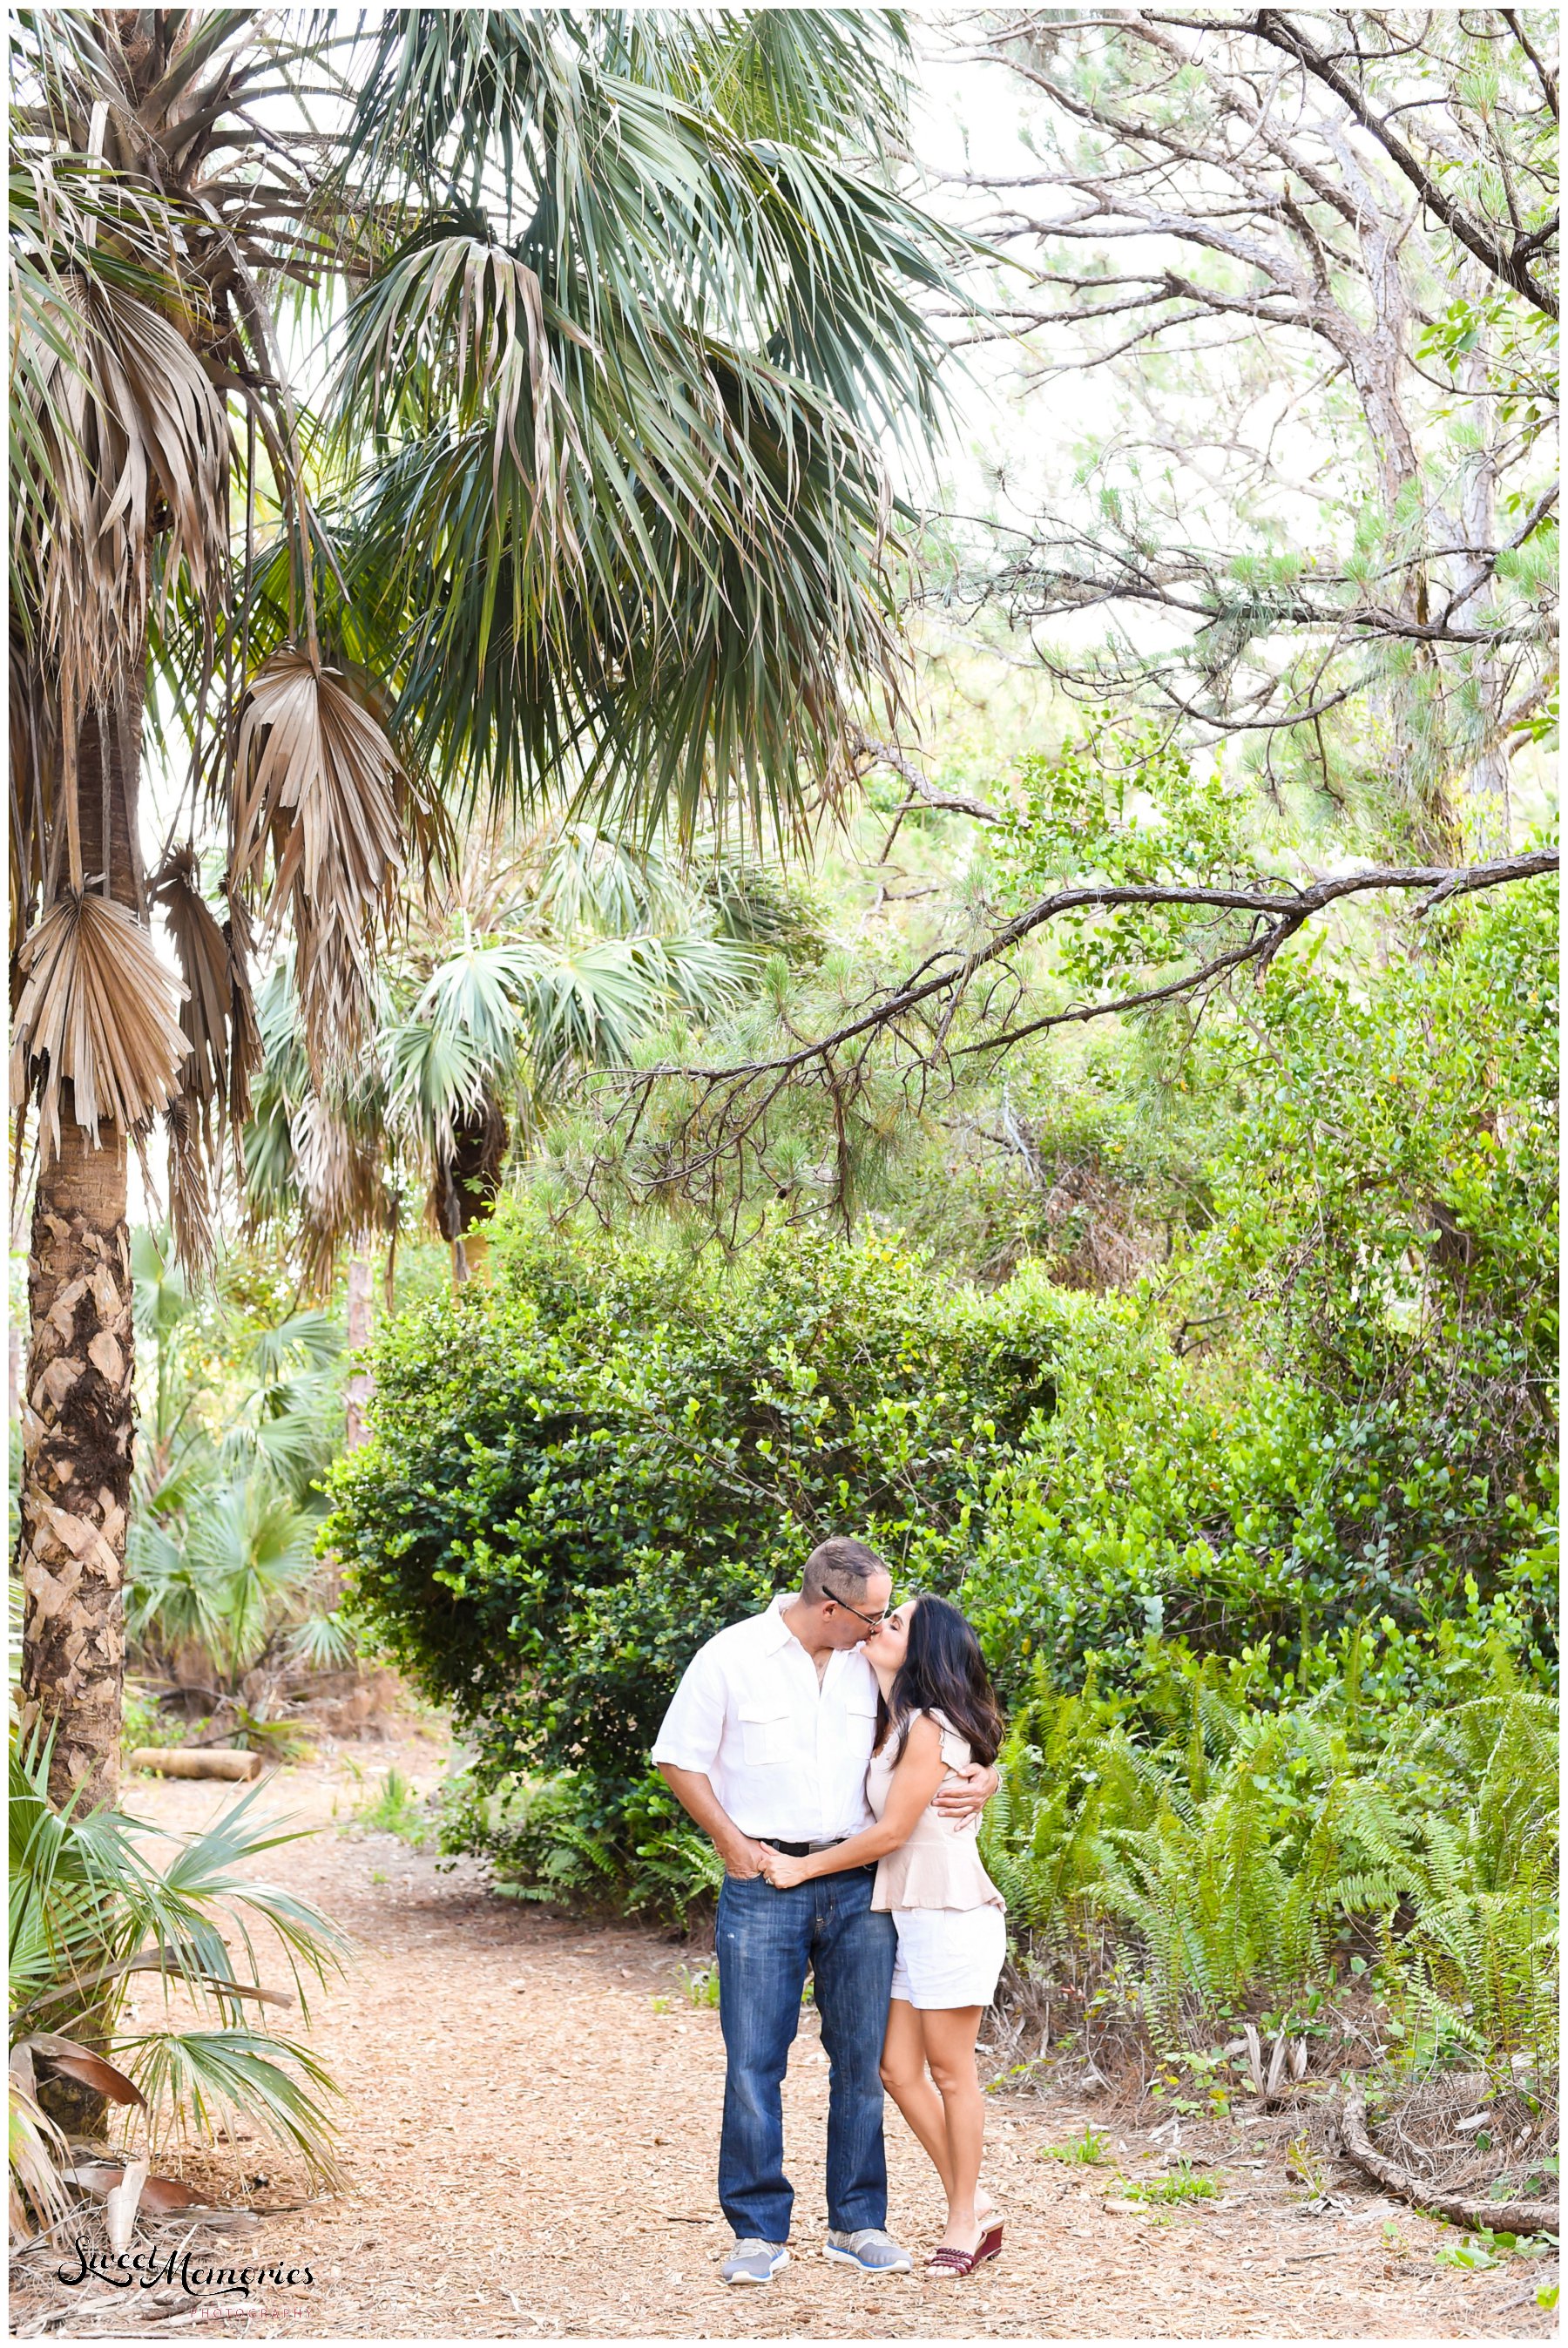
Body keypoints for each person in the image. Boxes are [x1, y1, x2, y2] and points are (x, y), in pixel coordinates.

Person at [652, 1538, 998, 2287]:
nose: (880, 1628)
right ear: (830, 1606)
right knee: (753, 2058)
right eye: (872, 1615)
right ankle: (757, 2230)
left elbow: (953, 1712)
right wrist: (732, 1842)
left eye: (886, 1617)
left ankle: (858, 2221)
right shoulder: (731, 1655)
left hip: (858, 1881)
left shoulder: (875, 1666)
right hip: (764, 1877)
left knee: (861, 2059)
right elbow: (677, 1754)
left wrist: (987, 1775)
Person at [759, 1594, 1008, 2278]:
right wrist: (990, 1773)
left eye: (893, 1622)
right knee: (896, 2069)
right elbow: (980, 1752)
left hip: (951, 1914)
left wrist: (801, 1864)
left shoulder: (927, 1724)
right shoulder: (896, 1716)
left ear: (921, 1649)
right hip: (907, 1914)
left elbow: (895, 1830)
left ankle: (963, 2219)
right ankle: (977, 2200)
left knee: (953, 2072)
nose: (878, 1625)